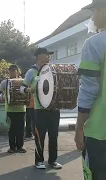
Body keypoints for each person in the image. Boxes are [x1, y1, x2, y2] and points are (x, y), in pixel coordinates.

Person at [75, 3, 106, 179]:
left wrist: (79, 128)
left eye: (94, 12)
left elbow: (88, 91)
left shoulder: (95, 43)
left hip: (100, 132)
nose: (93, 18)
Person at [20, 48, 62, 170]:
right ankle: (39, 161)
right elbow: (21, 88)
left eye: (49, 55)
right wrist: (29, 90)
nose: (49, 57)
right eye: (46, 55)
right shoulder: (31, 72)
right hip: (40, 109)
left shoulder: (52, 70)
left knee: (54, 135)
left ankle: (53, 160)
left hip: (54, 108)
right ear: (39, 56)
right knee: (40, 136)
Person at [0, 64, 27, 153]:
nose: (12, 72)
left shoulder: (23, 82)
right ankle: (12, 147)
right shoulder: (5, 82)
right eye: (11, 70)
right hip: (10, 109)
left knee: (21, 129)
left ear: (18, 71)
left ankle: (20, 147)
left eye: (14, 70)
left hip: (21, 109)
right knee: (12, 129)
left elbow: (27, 92)